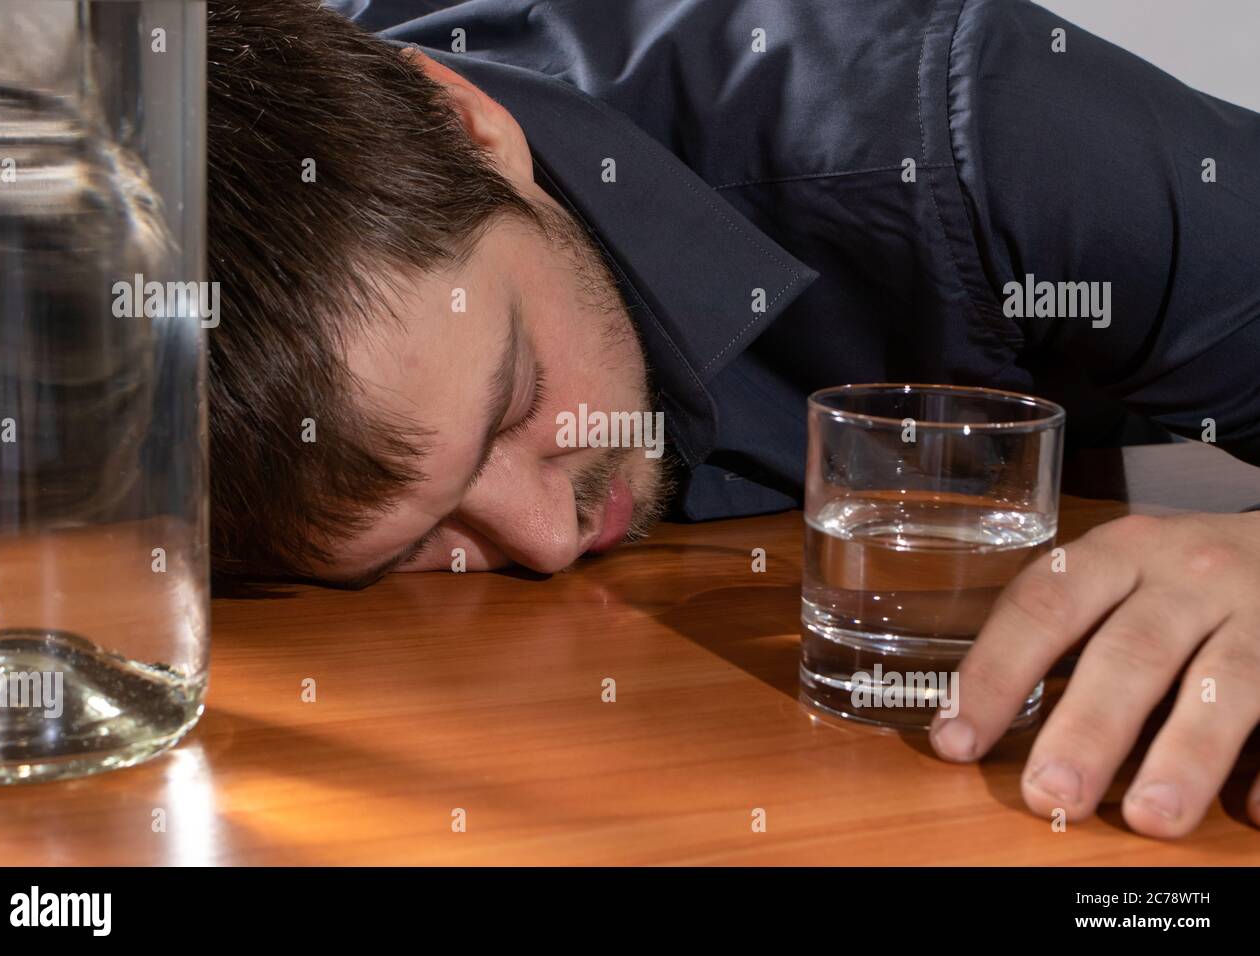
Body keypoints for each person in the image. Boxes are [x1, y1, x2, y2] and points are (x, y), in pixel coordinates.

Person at [206, 0, 1260, 839]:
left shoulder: (983, 134)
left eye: (515, 401)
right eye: (420, 544)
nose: (545, 537)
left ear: (469, 125)